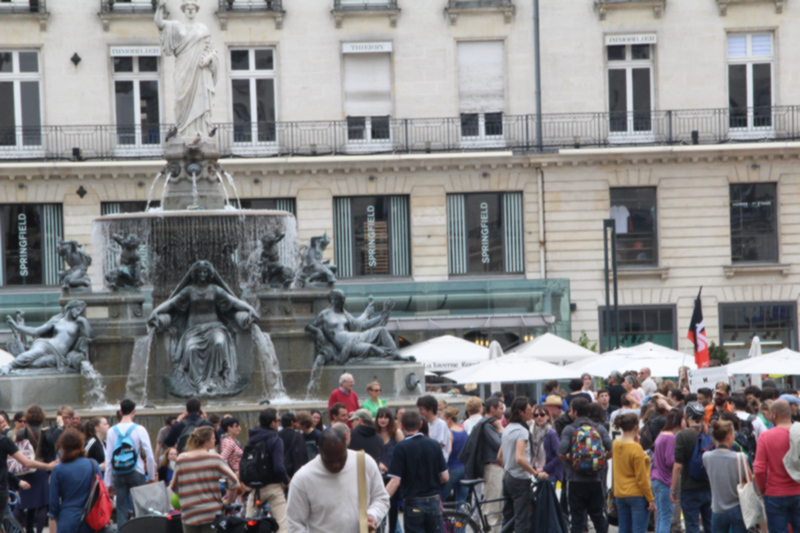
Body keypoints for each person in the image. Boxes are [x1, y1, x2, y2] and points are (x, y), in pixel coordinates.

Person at [147, 261, 260, 397]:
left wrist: (251, 309)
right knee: (191, 348)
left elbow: (234, 302)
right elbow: (171, 303)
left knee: (219, 343)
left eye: (205, 272)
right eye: (200, 271)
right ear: (195, 273)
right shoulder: (189, 290)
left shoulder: (215, 289)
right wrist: (155, 312)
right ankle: (199, 384)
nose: (202, 274)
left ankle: (214, 380)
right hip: (193, 330)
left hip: (215, 327)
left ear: (209, 274)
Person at [287, 428, 390, 533]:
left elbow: (381, 498)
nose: (336, 465)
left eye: (341, 459)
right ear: (319, 452)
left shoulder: (364, 463)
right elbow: (294, 523)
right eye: (330, 461)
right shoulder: (303, 479)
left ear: (346, 447)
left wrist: (372, 515)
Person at [154, 0, 218, 139]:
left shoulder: (203, 29)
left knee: (200, 98)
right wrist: (160, 7)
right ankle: (182, 130)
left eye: (193, 7)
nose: (190, 10)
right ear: (183, 9)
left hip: (199, 71)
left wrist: (208, 59)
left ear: (196, 9)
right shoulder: (177, 27)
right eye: (187, 7)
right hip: (182, 70)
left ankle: (198, 132)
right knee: (180, 99)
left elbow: (212, 50)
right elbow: (159, 23)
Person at [387, 411, 449, 533]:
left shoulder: (401, 447)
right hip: (433, 500)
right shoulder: (434, 444)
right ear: (420, 424)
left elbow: (395, 481)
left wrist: (381, 499)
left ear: (402, 426)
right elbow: (445, 477)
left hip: (413, 502)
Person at [558, 397, 612, 533]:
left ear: (575, 412)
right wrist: (603, 459)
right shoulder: (599, 428)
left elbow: (561, 452)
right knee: (598, 517)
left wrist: (570, 461)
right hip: (596, 480)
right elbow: (612, 448)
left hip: (575, 480)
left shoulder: (569, 429)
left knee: (576, 519)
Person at [171, 427, 240, 532]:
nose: (215, 440)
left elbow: (174, 487)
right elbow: (234, 481)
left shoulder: (181, 459)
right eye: (213, 438)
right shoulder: (215, 459)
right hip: (211, 513)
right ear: (207, 442)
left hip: (190, 513)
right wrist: (228, 501)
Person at [104, 399, 156, 529]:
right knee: (141, 507)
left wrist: (108, 483)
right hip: (137, 471)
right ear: (134, 411)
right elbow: (149, 455)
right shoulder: (139, 429)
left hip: (119, 473)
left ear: (120, 411)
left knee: (121, 509)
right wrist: (151, 476)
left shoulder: (111, 431)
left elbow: (109, 459)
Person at [500, 397, 548, 533]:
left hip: (508, 476)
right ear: (520, 412)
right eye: (528, 409)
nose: (531, 411)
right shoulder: (522, 431)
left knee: (508, 519)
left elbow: (499, 456)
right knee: (522, 520)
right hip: (519, 479)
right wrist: (536, 474)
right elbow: (520, 458)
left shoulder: (507, 428)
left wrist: (508, 465)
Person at [458, 396, 504, 531]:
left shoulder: (486, 423)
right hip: (493, 468)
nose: (503, 411)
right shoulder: (488, 425)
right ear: (492, 409)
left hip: (494, 468)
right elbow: (500, 445)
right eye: (501, 408)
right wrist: (501, 429)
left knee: (497, 507)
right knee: (493, 508)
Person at [754, 399, 800, 533]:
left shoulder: (765, 436)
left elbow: (759, 468)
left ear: (774, 414)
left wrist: (762, 489)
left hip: (775, 493)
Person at [243, 408, 289, 530]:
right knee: (281, 524)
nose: (279, 422)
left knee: (248, 524)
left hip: (256, 487)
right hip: (274, 487)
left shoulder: (252, 439)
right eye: (278, 420)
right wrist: (287, 481)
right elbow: (278, 467)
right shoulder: (276, 440)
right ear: (272, 423)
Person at [48, 428, 101, 533]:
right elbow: (100, 491)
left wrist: (53, 517)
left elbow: (53, 501)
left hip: (67, 518)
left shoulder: (58, 469)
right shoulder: (93, 464)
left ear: (62, 447)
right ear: (81, 445)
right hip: (90, 518)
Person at [671, 402, 712, 533]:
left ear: (686, 416)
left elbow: (678, 466)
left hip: (689, 487)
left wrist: (673, 488)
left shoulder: (682, 435)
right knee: (710, 525)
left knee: (692, 526)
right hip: (708, 486)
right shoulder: (710, 433)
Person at [612, 412, 655, 533]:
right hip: (636, 494)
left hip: (620, 493)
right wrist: (650, 498)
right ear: (636, 427)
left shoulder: (616, 443)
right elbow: (641, 477)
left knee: (623, 529)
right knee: (638, 529)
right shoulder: (636, 448)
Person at [703, 419, 748, 533]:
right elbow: (748, 482)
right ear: (728, 436)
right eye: (733, 434)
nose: (734, 437)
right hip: (738, 508)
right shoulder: (741, 457)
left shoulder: (706, 457)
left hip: (717, 509)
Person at [15, 404, 54, 533]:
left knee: (23, 503)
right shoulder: (46, 432)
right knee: (42, 503)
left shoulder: (22, 432)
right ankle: (38, 531)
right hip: (41, 468)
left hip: (26, 469)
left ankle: (19, 528)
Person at [651, 409, 684, 533]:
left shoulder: (661, 435)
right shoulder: (671, 438)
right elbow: (670, 461)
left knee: (660, 516)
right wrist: (681, 461)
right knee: (666, 517)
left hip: (656, 478)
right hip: (665, 480)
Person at [375, 407, 405, 533]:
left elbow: (404, 452)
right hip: (378, 476)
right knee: (378, 507)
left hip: (393, 476)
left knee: (393, 509)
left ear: (390, 418)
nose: (383, 420)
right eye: (380, 417)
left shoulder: (396, 433)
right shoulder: (374, 433)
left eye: (386, 417)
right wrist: (378, 463)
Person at [440, 408, 468, 505]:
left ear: (449, 419)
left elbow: (449, 451)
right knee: (462, 501)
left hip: (452, 468)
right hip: (463, 468)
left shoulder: (449, 433)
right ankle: (461, 515)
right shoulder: (464, 432)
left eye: (442, 419)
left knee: (440, 498)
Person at [531, 405, 562, 486]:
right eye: (536, 415)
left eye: (542, 415)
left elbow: (558, 456)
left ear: (547, 416)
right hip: (537, 473)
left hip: (550, 475)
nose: (539, 417)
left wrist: (544, 468)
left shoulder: (551, 434)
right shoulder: (534, 434)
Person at [417, 395, 451, 461]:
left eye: (421, 409)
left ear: (430, 409)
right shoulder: (426, 424)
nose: (419, 412)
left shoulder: (441, 424)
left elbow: (439, 446)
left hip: (437, 463)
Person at [278, 412, 309, 479]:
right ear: (292, 422)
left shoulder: (277, 435)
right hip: (293, 473)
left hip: (280, 472)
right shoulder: (297, 436)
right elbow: (301, 456)